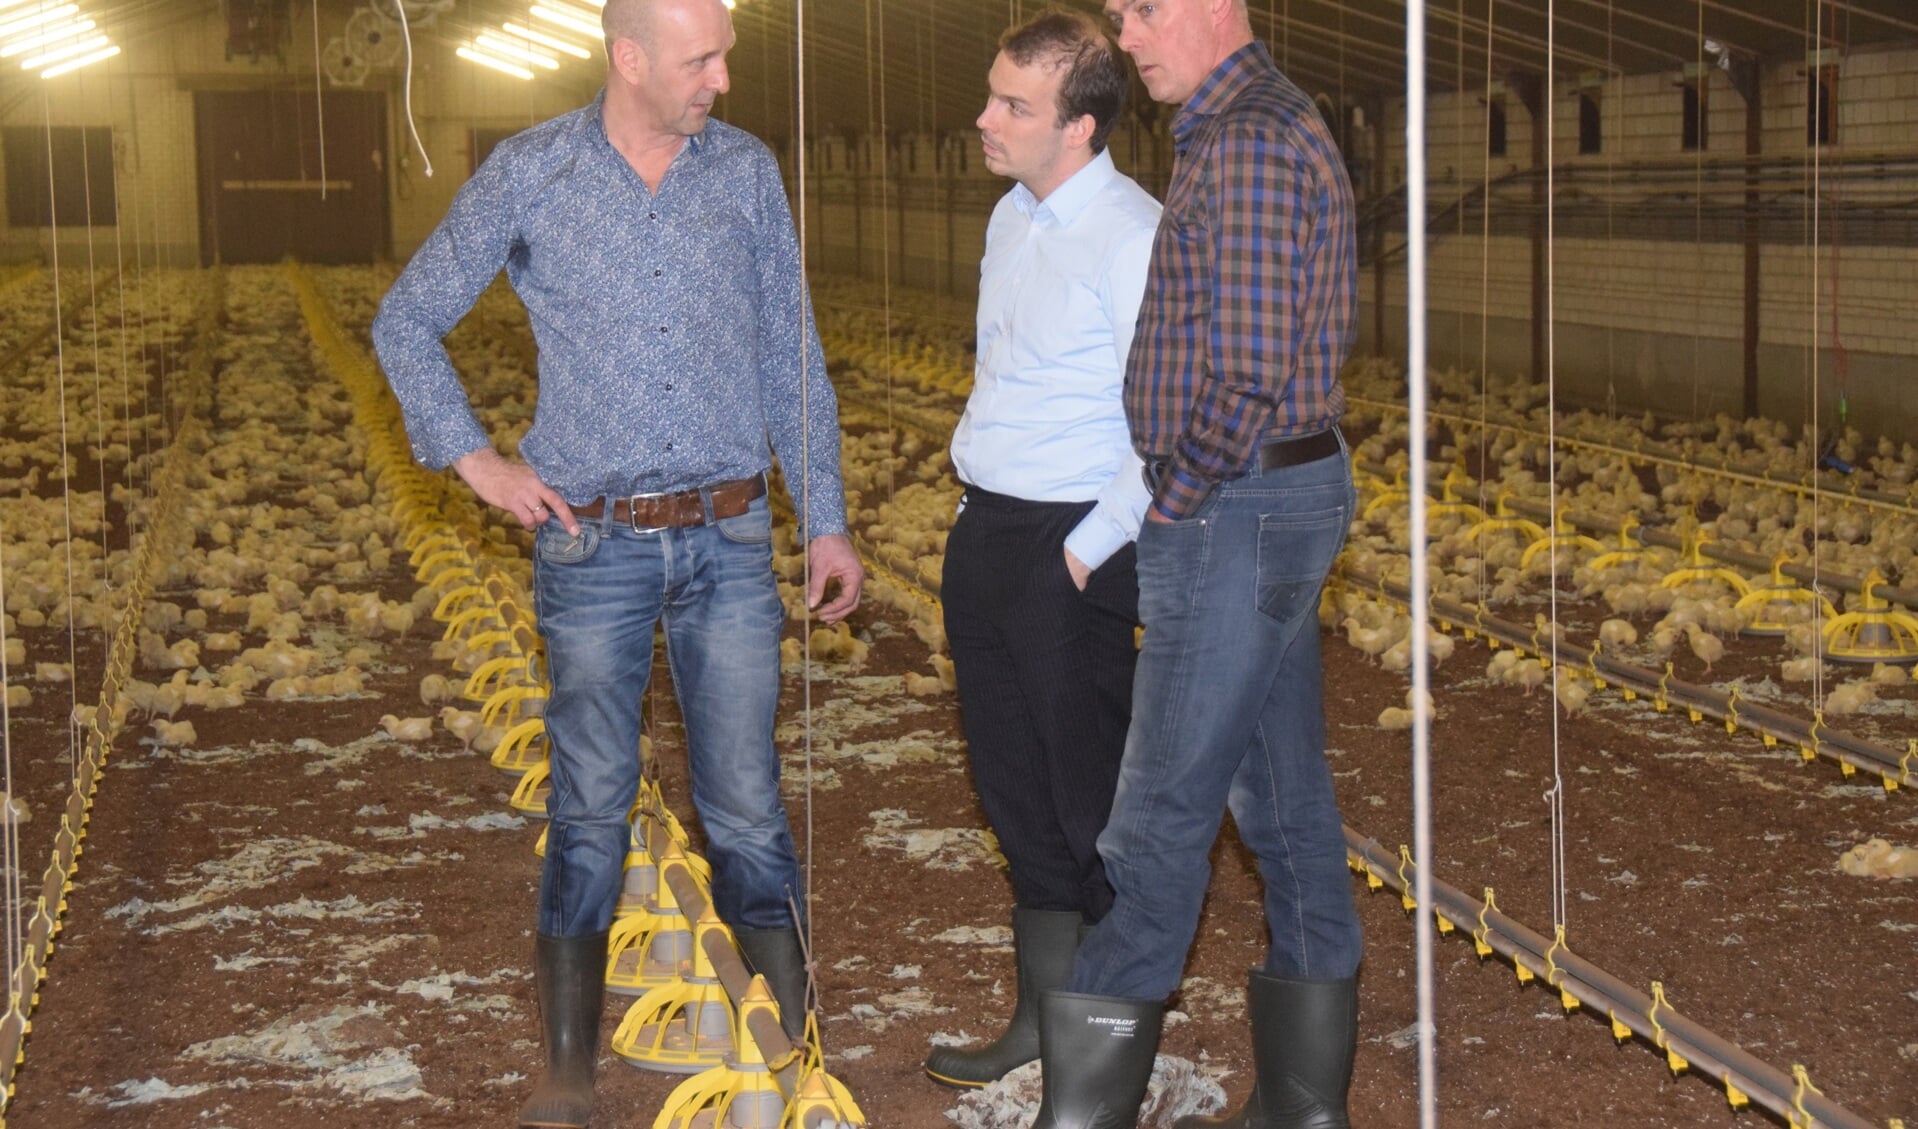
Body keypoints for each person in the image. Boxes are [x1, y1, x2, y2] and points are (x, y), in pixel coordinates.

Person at [370, 1, 863, 1125]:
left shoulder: (743, 173)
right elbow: (407, 319)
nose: (724, 80)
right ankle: (567, 1067)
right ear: (628, 60)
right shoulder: (530, 172)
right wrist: (474, 459)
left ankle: (789, 1050)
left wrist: (824, 516)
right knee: (590, 802)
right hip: (588, 539)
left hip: (733, 536)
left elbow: (793, 349)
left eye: (727, 53)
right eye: (703, 59)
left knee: (745, 803)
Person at [1030, 0, 1363, 1126]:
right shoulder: (1236, 127)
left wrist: (1174, 500)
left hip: (1237, 500)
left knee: (1158, 813)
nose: (1127, 36)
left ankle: (1081, 1112)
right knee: (1281, 806)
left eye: (1144, 9)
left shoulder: (1254, 141)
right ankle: (1304, 1106)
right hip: (1265, 495)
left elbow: (1251, 369)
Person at [926, 7, 1159, 1092]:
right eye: (991, 95)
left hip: (1073, 547)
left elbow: (1166, 424)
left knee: (1088, 805)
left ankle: (1104, 1061)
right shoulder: (1010, 221)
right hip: (989, 532)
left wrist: (1088, 549)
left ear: (1079, 127)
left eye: (1013, 105)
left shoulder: (1135, 235)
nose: (985, 117)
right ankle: (1040, 1019)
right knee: (1013, 792)